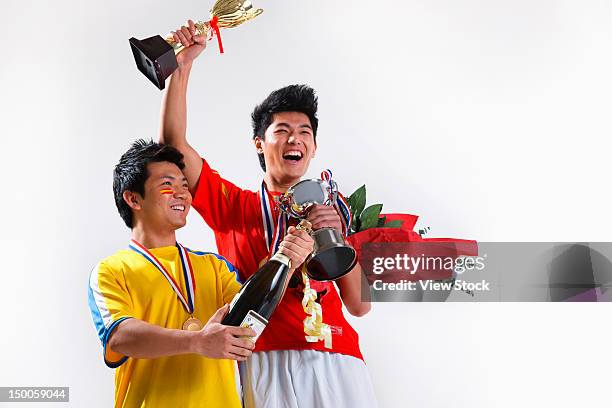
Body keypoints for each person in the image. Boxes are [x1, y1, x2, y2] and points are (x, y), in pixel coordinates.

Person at [159, 21, 378, 407]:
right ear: (259, 142)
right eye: (282, 130)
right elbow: (173, 147)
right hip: (263, 358)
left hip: (338, 359)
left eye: (305, 131)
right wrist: (184, 66)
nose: (295, 138)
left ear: (313, 147)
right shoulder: (235, 204)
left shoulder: (333, 207)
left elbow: (360, 306)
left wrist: (340, 241)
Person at [87, 140, 313, 407]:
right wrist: (196, 341)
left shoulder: (215, 267)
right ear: (133, 198)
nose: (183, 194)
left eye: (185, 186)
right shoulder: (111, 271)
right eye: (168, 185)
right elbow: (122, 337)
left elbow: (249, 320)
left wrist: (287, 261)